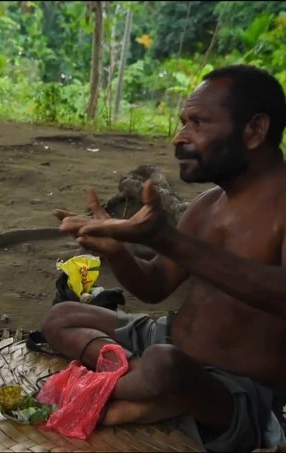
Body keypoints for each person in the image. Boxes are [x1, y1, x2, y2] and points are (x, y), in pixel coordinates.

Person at [43, 64, 286, 452]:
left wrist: (168, 239)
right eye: (183, 122)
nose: (179, 137)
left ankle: (126, 390)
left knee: (165, 366)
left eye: (198, 123)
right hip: (167, 341)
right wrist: (118, 253)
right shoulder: (207, 205)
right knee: (62, 317)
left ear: (254, 130)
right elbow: (155, 286)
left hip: (233, 386)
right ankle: (140, 385)